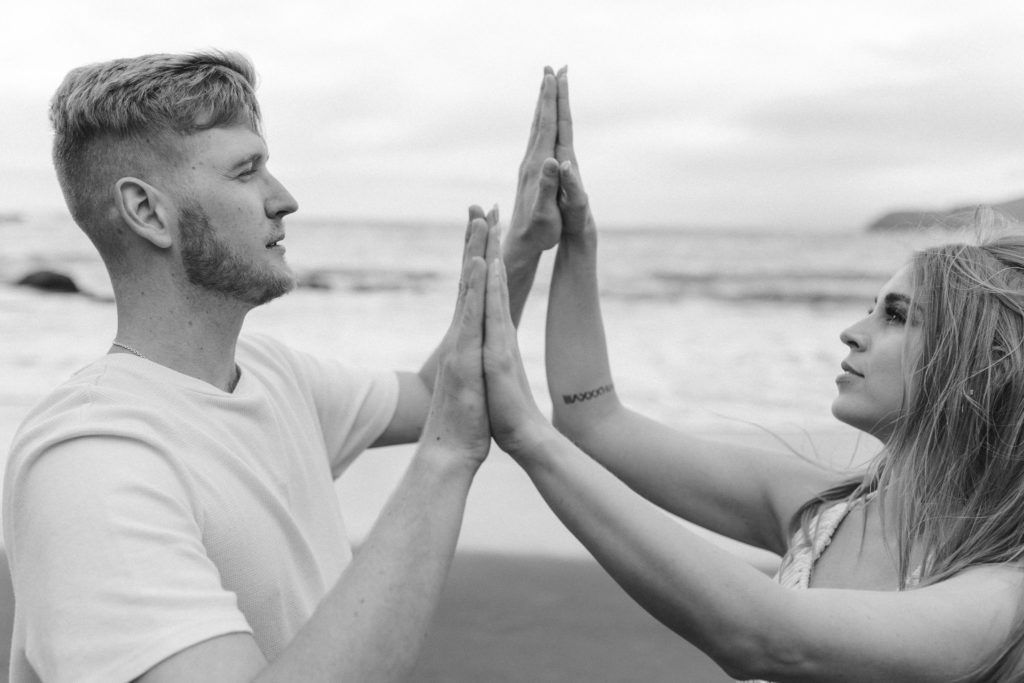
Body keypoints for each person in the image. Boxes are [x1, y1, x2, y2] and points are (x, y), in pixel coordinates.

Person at [2, 52, 562, 682]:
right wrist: (446, 457)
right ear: (148, 212)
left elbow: (436, 393)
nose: (285, 200)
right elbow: (446, 421)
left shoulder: (272, 375)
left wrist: (523, 247)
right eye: (247, 172)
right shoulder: (93, 461)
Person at [475, 69, 1024, 681]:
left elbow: (766, 638)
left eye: (896, 315)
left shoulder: (1003, 593)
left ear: (980, 366)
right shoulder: (825, 513)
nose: (852, 331)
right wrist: (576, 240)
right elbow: (592, 420)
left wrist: (527, 435)